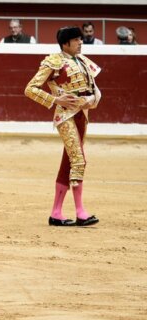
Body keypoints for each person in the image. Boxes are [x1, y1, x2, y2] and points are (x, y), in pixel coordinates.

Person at [24, 27, 101, 227]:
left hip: (82, 115)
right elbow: (30, 88)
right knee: (78, 160)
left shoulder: (84, 61)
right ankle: (80, 212)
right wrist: (55, 99)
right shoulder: (54, 61)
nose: (81, 43)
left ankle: (56, 213)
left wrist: (90, 100)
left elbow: (95, 90)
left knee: (69, 162)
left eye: (81, 39)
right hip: (66, 116)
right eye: (77, 40)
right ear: (66, 43)